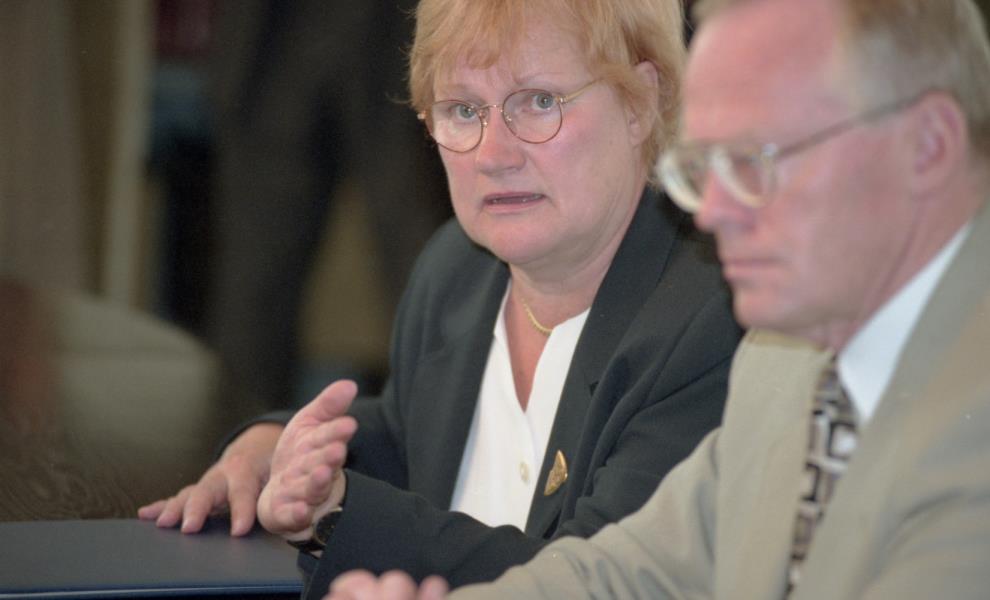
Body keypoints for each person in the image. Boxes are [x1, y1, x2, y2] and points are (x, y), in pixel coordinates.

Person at [322, 0, 990, 598]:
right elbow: (626, 574)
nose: (714, 211)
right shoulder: (781, 365)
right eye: (705, 167)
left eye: (758, 159)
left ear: (927, 146)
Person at [139, 0, 741, 597]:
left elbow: (587, 578)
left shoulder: (710, 318)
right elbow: (410, 437)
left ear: (641, 101)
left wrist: (340, 515)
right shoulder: (456, 271)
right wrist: (276, 448)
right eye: (462, 110)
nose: (493, 155)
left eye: (539, 102)